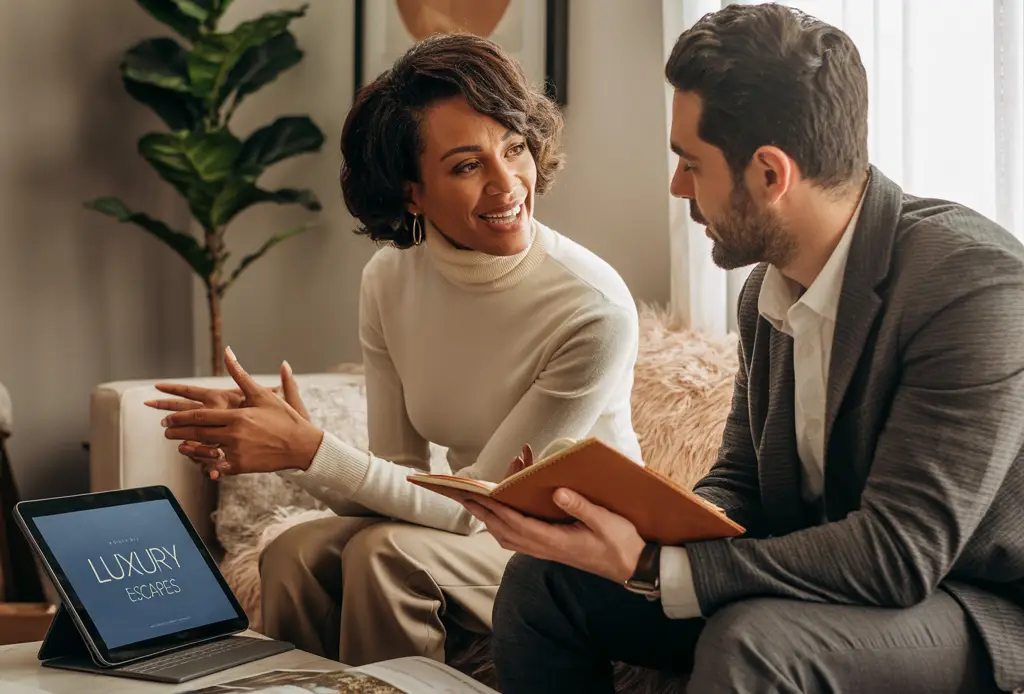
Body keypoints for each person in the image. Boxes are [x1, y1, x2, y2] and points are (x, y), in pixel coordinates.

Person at [463, 4, 1024, 693]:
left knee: (752, 642)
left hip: (971, 603)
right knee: (545, 582)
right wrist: (614, 515)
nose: (677, 188)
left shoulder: (973, 287)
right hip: (822, 588)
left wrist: (653, 567)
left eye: (690, 164)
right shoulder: (767, 290)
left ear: (769, 174)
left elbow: (901, 553)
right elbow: (742, 487)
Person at [145, 32, 643, 667]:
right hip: (473, 529)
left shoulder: (591, 307)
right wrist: (296, 452)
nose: (507, 184)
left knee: (383, 557)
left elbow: (474, 505)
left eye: (514, 149)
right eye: (467, 165)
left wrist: (311, 449)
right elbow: (399, 479)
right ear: (412, 192)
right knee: (292, 553)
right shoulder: (389, 279)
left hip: (573, 549)